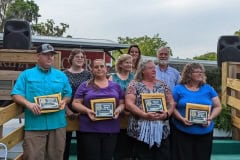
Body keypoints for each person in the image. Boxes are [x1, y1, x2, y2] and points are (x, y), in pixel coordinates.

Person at [11, 44, 72, 160]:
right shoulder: (26, 74)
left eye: (52, 55)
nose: (50, 57)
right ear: (37, 56)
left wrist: (64, 101)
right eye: (46, 55)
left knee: (56, 156)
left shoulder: (61, 75)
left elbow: (68, 93)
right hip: (35, 125)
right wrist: (28, 104)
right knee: (33, 157)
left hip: (57, 125)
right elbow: (16, 94)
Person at [72, 59, 125, 160]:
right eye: (96, 67)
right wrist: (87, 110)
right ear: (92, 69)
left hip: (110, 128)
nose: (99, 69)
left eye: (101, 66)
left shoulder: (116, 86)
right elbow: (75, 103)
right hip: (90, 128)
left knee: (107, 157)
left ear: (106, 68)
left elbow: (122, 104)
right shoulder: (85, 85)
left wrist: (118, 109)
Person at [125, 59, 174, 160]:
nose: (154, 70)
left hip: (162, 131)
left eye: (154, 68)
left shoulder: (163, 85)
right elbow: (129, 104)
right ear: (143, 70)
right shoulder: (134, 84)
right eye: (151, 68)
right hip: (139, 132)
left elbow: (171, 103)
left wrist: (167, 114)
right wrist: (144, 115)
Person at [172, 63, 222, 160]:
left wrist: (210, 118)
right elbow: (171, 107)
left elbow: (218, 106)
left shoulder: (208, 89)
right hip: (182, 132)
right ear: (189, 74)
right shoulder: (178, 89)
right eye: (197, 72)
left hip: (205, 133)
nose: (200, 74)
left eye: (201, 72)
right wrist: (182, 119)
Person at [63, 49, 92, 160]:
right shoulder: (63, 74)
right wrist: (67, 111)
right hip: (66, 112)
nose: (80, 58)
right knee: (65, 145)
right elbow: (60, 94)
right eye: (77, 56)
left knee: (83, 147)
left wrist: (82, 111)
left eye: (82, 57)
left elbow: (91, 94)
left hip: (84, 113)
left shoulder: (89, 74)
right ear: (71, 58)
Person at [109, 54, 134, 159]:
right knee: (117, 143)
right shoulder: (112, 77)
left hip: (132, 114)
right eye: (127, 62)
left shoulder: (135, 77)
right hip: (116, 113)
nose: (129, 64)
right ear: (120, 64)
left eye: (130, 62)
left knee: (129, 144)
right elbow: (109, 94)